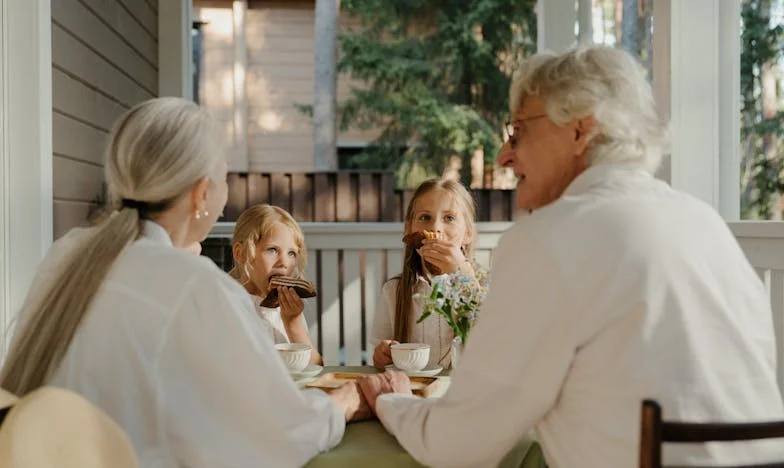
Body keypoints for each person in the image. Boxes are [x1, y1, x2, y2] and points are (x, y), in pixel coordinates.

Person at [357, 45, 784, 467]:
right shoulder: (706, 225)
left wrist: (392, 400)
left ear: (580, 131)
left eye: (518, 130)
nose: (506, 155)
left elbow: (456, 446)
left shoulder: (545, 239)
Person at [1, 97, 367, 467]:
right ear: (200, 194)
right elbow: (283, 436)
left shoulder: (66, 253)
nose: (225, 200)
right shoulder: (197, 287)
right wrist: (346, 402)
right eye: (225, 179)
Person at [370, 178, 485, 369]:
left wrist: (465, 276)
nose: (435, 228)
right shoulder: (394, 291)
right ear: (409, 229)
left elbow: (494, 346)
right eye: (425, 217)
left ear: (468, 233)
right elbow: (381, 354)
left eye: (449, 218)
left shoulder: (487, 287)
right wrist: (382, 355)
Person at [229, 204, 321, 364]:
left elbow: (316, 367)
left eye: (291, 253)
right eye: (272, 250)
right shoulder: (227, 302)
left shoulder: (286, 308)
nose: (284, 262)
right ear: (241, 253)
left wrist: (293, 324)